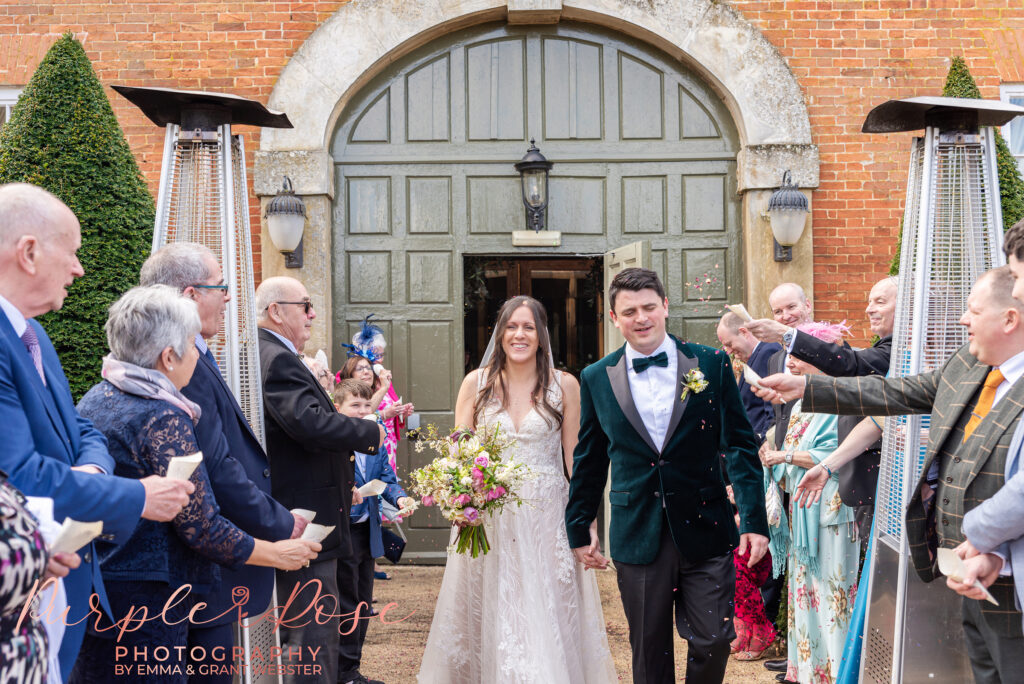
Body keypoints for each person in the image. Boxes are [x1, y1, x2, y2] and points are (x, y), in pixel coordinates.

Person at [753, 266, 1024, 682]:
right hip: (968, 569)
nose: (962, 321)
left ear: (1009, 319)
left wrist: (987, 541)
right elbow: (896, 392)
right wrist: (807, 389)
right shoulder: (969, 366)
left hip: (1011, 578)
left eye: (973, 311)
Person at [72, 286, 320, 684]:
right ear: (168, 357)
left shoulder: (99, 395)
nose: (197, 355)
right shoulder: (162, 416)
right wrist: (276, 553)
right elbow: (201, 525)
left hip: (99, 584)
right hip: (150, 596)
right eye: (192, 345)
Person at [0, 182, 193, 679]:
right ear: (28, 252)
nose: (80, 269)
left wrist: (90, 469)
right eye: (73, 252)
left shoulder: (31, 332)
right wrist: (131, 496)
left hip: (59, 583)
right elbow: (17, 472)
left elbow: (80, 427)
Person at [565, 268, 768, 684]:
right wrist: (579, 526)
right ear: (613, 317)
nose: (641, 318)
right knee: (648, 649)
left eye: (649, 308)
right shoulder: (596, 377)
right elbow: (589, 458)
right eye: (630, 311)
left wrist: (753, 519)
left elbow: (741, 445)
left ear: (665, 308)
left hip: (707, 525)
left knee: (714, 639)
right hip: (637, 531)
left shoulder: (710, 363)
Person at [419, 295, 617, 683]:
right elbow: (460, 448)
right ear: (500, 333)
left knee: (548, 607)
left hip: (548, 514)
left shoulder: (566, 386)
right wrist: (460, 492)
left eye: (529, 327)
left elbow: (576, 459)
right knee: (492, 605)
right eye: (512, 326)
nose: (519, 334)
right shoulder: (476, 384)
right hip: (490, 517)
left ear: (542, 335)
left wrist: (587, 521)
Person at [139, 243, 303, 682]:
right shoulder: (176, 364)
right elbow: (216, 468)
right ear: (191, 295)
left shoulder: (195, 353)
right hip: (200, 568)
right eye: (222, 286)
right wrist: (280, 524)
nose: (229, 297)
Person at [256, 276, 385, 684]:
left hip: (306, 511)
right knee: (311, 640)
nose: (313, 313)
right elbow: (308, 423)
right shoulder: (277, 358)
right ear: (277, 310)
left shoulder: (271, 353)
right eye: (305, 305)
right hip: (304, 519)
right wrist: (370, 431)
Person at [761, 322, 858, 684]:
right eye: (793, 356)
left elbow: (828, 453)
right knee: (805, 594)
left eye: (801, 357)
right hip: (802, 507)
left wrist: (783, 456)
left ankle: (837, 672)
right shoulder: (802, 401)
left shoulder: (841, 396)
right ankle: (807, 671)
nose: (793, 363)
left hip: (832, 508)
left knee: (833, 595)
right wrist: (772, 454)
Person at [334, 379, 415, 684]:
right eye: (355, 405)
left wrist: (400, 497)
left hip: (368, 531)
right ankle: (342, 672)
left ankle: (352, 669)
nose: (363, 411)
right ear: (337, 409)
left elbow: (387, 479)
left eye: (367, 405)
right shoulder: (333, 442)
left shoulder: (376, 443)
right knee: (346, 603)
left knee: (363, 602)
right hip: (342, 531)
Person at [344, 316, 415, 473]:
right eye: (376, 356)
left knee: (388, 485)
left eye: (382, 355)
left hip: (388, 444)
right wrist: (384, 413)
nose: (380, 360)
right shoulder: (349, 380)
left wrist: (400, 413)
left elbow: (391, 408)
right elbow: (355, 416)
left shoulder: (382, 380)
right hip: (366, 444)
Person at [717, 311, 781, 442]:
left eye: (729, 344)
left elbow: (773, 408)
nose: (728, 351)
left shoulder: (768, 352)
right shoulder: (757, 355)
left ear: (744, 332)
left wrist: (764, 443)